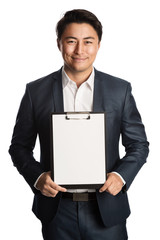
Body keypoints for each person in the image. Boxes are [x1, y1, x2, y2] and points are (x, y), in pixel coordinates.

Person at [9, 9, 149, 240]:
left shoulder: (119, 90)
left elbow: (139, 145)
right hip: (57, 211)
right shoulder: (36, 92)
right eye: (71, 41)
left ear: (99, 45)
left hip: (107, 210)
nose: (79, 50)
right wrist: (37, 178)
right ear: (59, 44)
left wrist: (121, 177)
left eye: (88, 42)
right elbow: (19, 147)